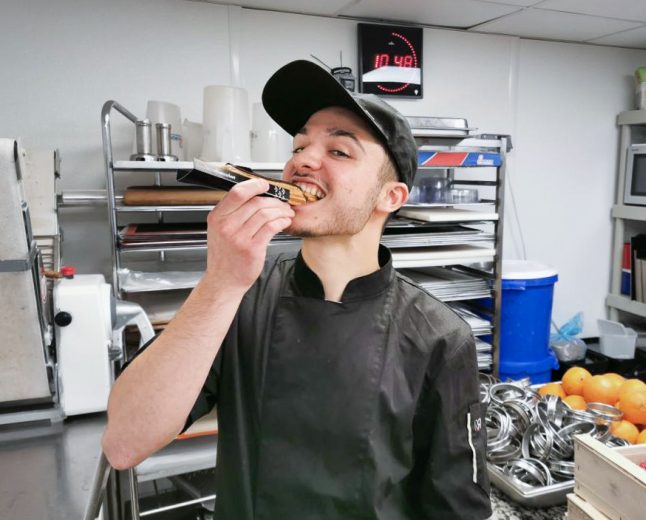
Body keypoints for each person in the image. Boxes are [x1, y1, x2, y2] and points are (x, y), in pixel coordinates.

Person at [102, 60, 491, 519]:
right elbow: (124, 443)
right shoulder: (238, 298)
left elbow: (457, 510)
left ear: (391, 198)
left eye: (339, 152)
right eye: (301, 144)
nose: (301, 160)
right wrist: (219, 283)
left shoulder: (439, 338)